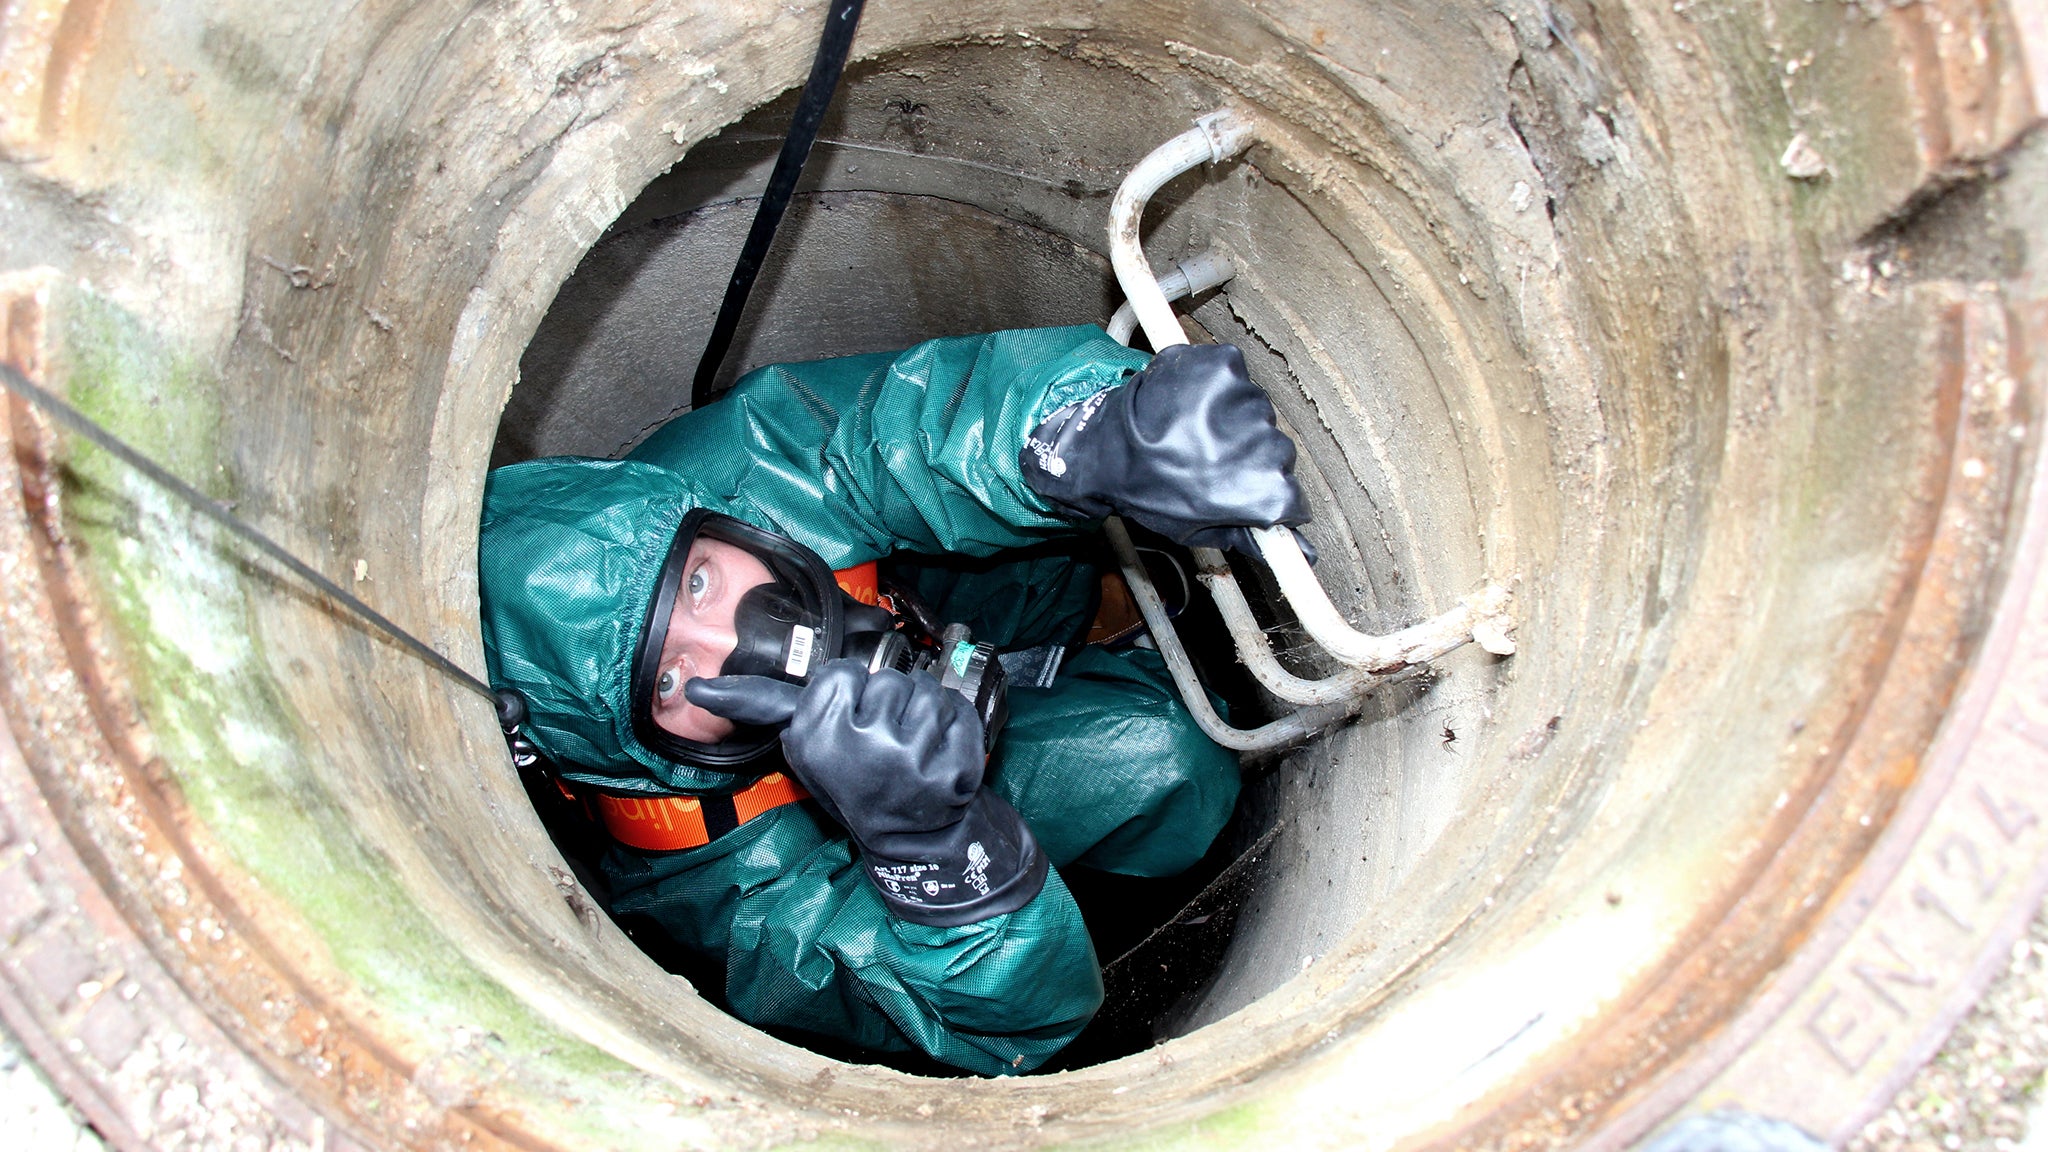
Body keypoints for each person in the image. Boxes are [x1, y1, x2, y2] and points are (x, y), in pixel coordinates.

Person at [477, 324, 1308, 1075]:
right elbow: (1007, 1031)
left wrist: (1087, 434)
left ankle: (1093, 619)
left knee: (1030, 539)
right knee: (1168, 759)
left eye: (697, 584)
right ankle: (1071, 860)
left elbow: (894, 429)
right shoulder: (710, 879)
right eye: (667, 680)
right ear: (638, 748)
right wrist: (929, 845)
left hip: (923, 605)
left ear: (700, 525)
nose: (739, 639)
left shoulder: (716, 484)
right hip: (890, 822)